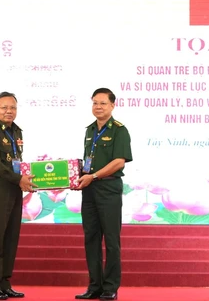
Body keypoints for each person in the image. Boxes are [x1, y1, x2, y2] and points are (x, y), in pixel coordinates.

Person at [75, 88, 133, 300]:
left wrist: (94, 175)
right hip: (89, 190)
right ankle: (94, 286)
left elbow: (119, 161)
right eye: (95, 103)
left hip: (109, 189)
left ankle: (110, 287)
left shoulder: (119, 130)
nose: (98, 107)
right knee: (91, 238)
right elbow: (88, 161)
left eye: (103, 103)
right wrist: (77, 175)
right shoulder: (90, 130)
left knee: (110, 239)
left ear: (112, 105)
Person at [0, 91, 37, 300]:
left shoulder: (17, 132)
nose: (8, 111)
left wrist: (25, 178)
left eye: (12, 107)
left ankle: (5, 283)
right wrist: (18, 179)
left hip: (13, 188)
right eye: (4, 107)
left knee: (11, 237)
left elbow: (17, 162)